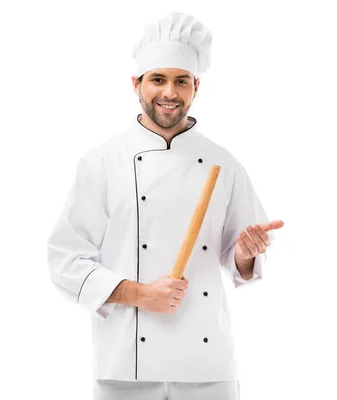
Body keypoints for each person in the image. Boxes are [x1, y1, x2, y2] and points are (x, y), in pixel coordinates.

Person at [47, 11, 284, 400]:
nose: (169, 92)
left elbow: (240, 261)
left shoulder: (223, 163)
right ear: (136, 83)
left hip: (208, 368)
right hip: (126, 365)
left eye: (181, 81)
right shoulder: (101, 162)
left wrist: (245, 252)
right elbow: (65, 261)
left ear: (196, 87)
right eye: (158, 79)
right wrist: (139, 294)